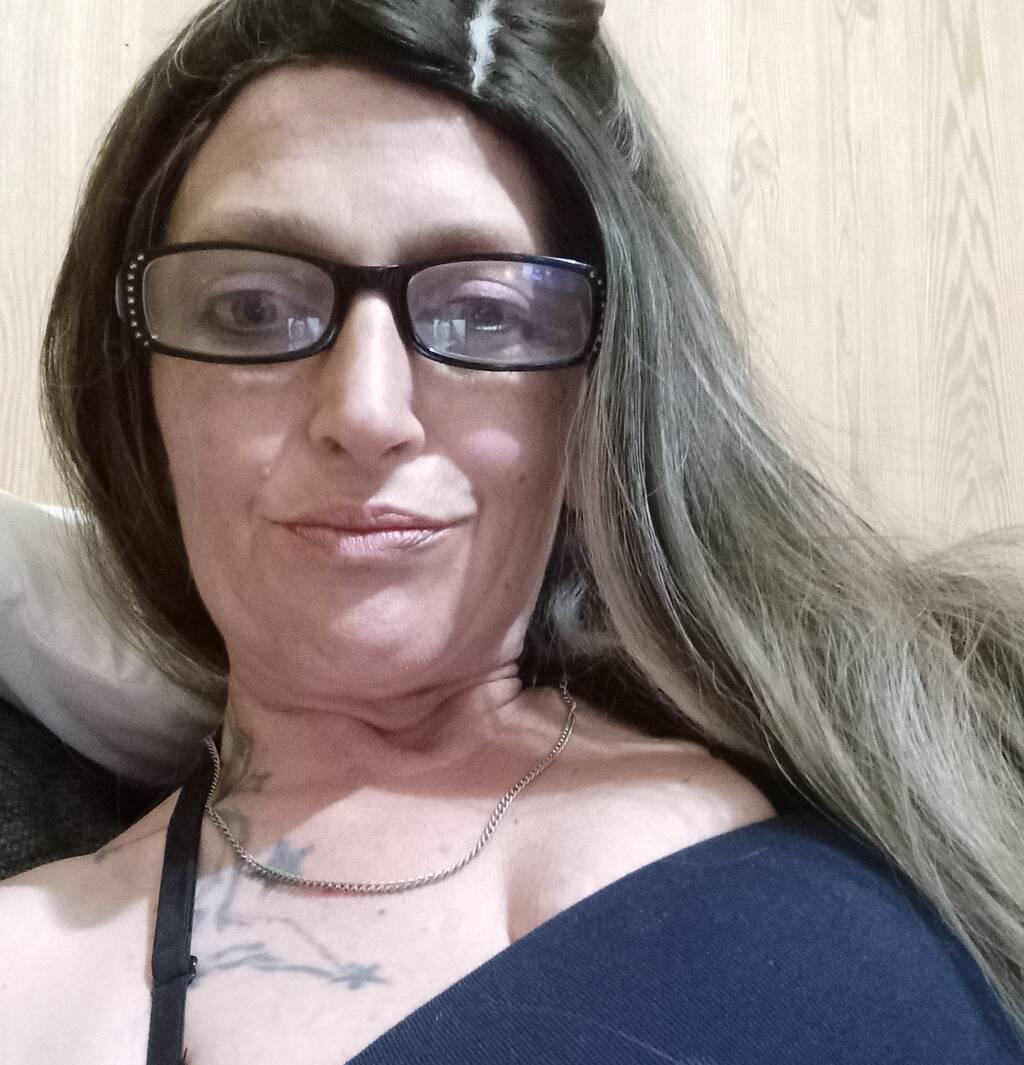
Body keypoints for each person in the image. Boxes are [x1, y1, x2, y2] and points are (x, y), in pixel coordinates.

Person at [2, 1, 1023, 1062]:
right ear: (148, 407)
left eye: (483, 314)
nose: (365, 410)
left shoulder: (920, 783)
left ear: (595, 415)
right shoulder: (36, 981)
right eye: (254, 309)